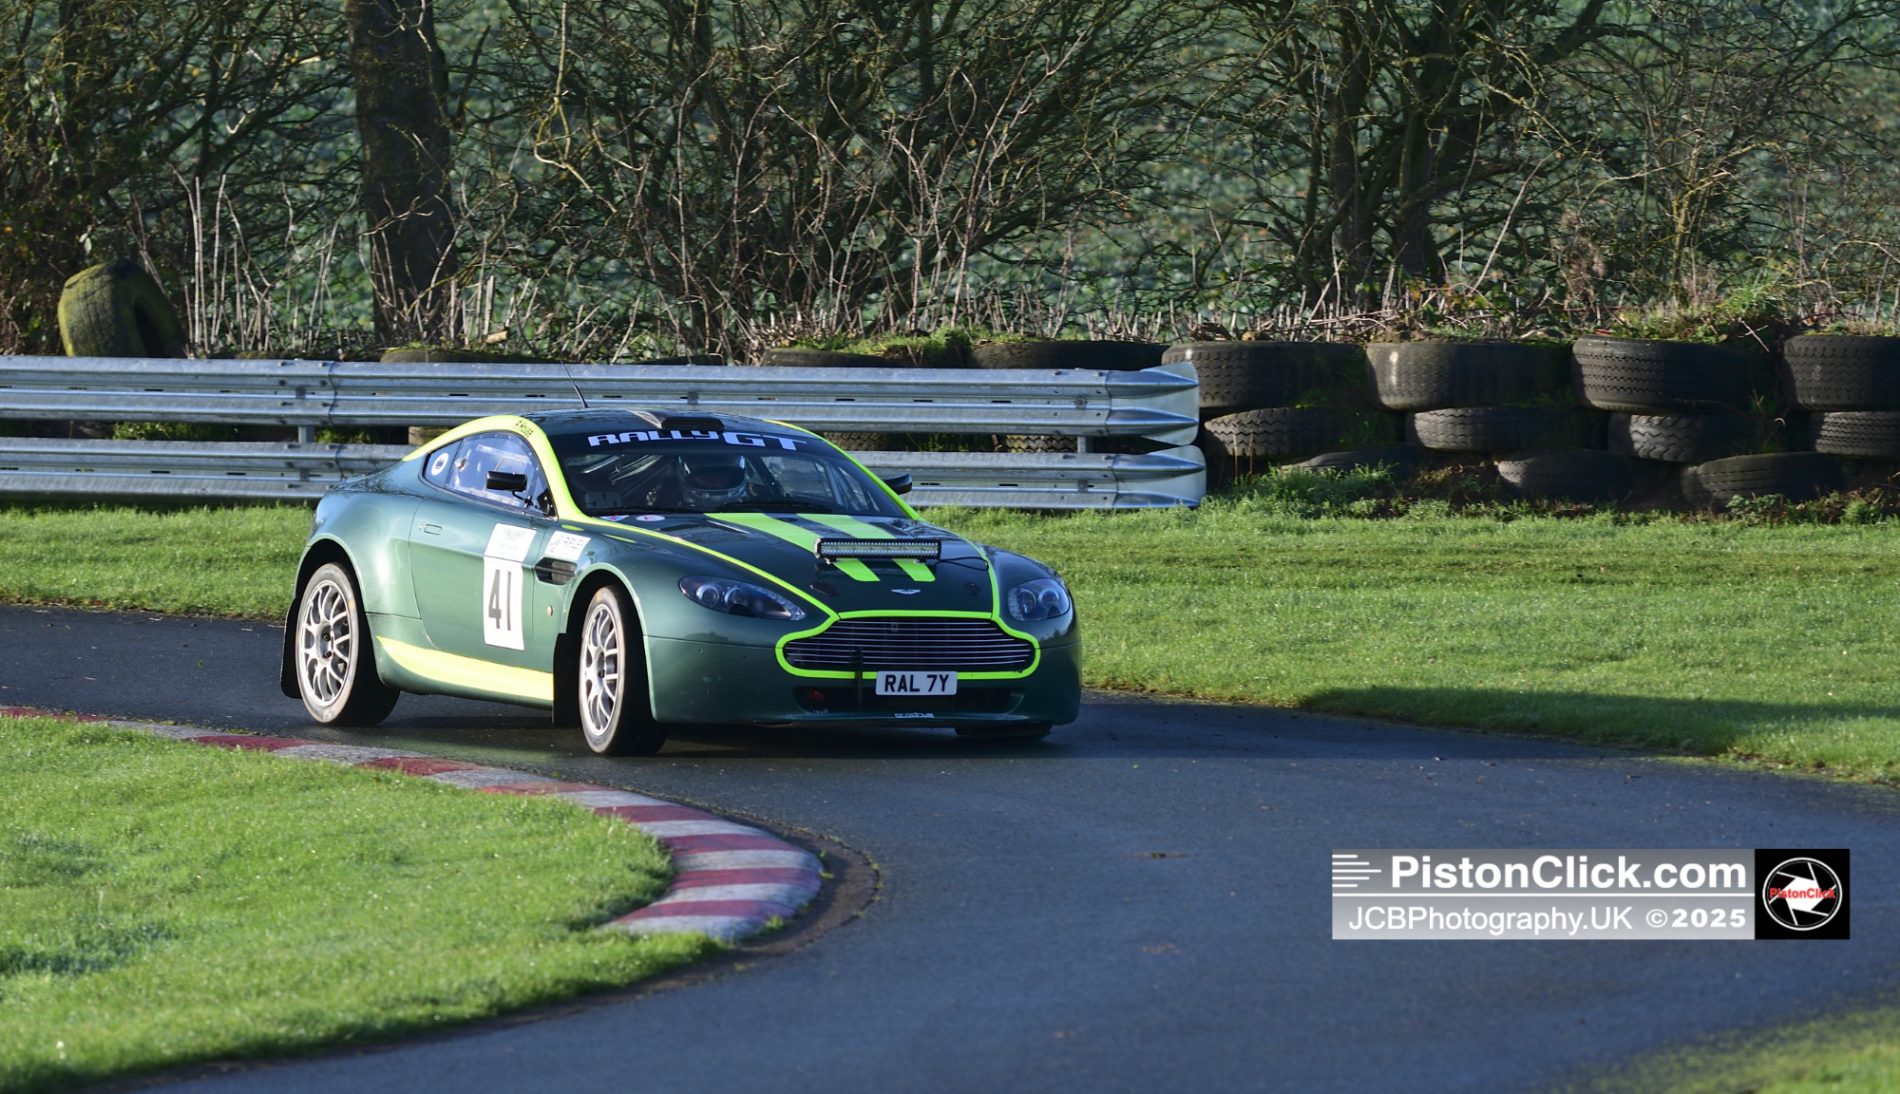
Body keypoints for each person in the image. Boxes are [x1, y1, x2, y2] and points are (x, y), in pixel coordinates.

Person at [677, 449, 749, 510]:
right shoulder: (673, 502)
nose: (716, 481)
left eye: (720, 476)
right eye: (708, 476)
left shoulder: (752, 500)